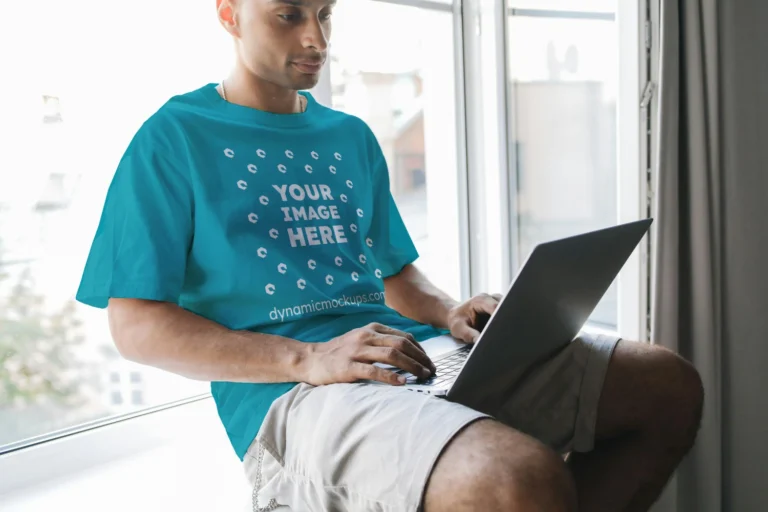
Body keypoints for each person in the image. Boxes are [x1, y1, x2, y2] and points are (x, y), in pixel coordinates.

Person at [76, 0, 704, 510]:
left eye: (326, 13)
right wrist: (311, 357)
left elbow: (395, 273)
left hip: (406, 354)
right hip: (292, 393)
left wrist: (449, 311)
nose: (316, 37)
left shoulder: (348, 136)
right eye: (289, 14)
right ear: (229, 13)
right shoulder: (172, 139)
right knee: (518, 479)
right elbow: (137, 327)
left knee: (665, 386)